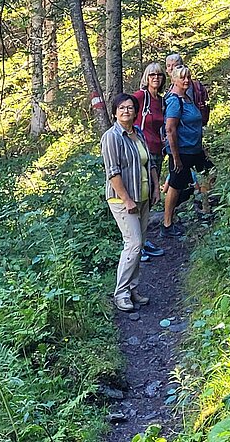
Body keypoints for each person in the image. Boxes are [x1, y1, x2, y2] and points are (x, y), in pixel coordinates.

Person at [101, 93, 160, 312]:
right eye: (122, 108)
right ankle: (121, 293)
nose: (126, 111)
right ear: (115, 112)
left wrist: (155, 187)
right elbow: (113, 172)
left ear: (136, 112)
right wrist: (126, 200)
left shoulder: (138, 134)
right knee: (133, 244)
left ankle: (133, 289)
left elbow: (150, 163)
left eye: (130, 108)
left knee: (140, 244)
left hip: (143, 197)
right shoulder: (112, 137)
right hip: (123, 199)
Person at [160, 65, 211, 237]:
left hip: (194, 149)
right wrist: (176, 158)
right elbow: (170, 129)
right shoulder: (174, 100)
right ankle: (167, 224)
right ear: (174, 79)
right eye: (182, 77)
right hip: (181, 151)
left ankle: (204, 209)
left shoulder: (187, 99)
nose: (186, 80)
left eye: (188, 77)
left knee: (210, 173)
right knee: (175, 185)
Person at [133, 62, 167, 261]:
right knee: (140, 194)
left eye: (160, 75)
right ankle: (137, 244)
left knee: (151, 195)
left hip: (156, 151)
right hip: (140, 152)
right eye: (152, 74)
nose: (156, 78)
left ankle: (143, 240)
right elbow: (123, 112)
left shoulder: (160, 101)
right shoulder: (140, 97)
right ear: (146, 77)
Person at [165, 53, 210, 126]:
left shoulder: (187, 86)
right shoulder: (171, 91)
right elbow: (170, 127)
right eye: (168, 66)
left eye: (175, 65)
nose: (171, 68)